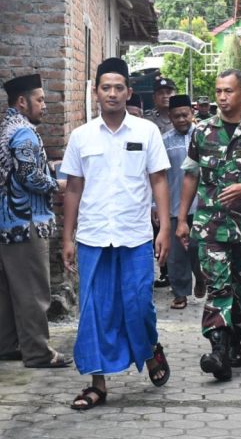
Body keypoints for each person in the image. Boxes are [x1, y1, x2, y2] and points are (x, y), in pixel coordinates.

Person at [61, 57, 172, 411]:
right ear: (96, 92)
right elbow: (73, 188)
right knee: (94, 310)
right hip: (93, 236)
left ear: (128, 92)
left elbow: (158, 180)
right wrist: (67, 237)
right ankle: (97, 384)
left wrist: (166, 228)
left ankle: (149, 346)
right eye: (105, 87)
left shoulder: (146, 132)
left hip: (135, 235)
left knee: (138, 304)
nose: (112, 93)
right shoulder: (81, 136)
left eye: (118, 87)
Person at [176, 69, 241, 382]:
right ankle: (218, 349)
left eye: (229, 91)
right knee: (218, 285)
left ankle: (234, 342)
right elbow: (191, 174)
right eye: (218, 92)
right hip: (211, 224)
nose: (223, 98)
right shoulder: (202, 131)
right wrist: (183, 218)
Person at [0, 74, 71, 369]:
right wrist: (58, 185)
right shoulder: (23, 132)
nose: (45, 106)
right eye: (40, 99)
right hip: (26, 223)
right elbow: (28, 176)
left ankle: (10, 345)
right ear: (22, 102)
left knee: (15, 289)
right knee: (35, 291)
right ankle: (38, 353)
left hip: (9, 221)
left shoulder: (8, 127)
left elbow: (21, 168)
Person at [161, 94, 205, 309]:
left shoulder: (203, 136)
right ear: (170, 116)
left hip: (201, 204)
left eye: (185, 115)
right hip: (174, 205)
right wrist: (154, 205)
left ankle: (201, 276)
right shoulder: (164, 141)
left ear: (192, 113)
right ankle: (180, 293)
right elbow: (157, 176)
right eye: (176, 116)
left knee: (197, 248)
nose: (181, 120)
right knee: (176, 254)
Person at [146, 76, 177, 288]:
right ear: (155, 97)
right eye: (161, 93)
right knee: (158, 225)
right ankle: (165, 270)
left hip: (177, 177)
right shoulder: (148, 122)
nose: (165, 96)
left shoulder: (182, 117)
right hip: (155, 178)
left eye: (169, 92)